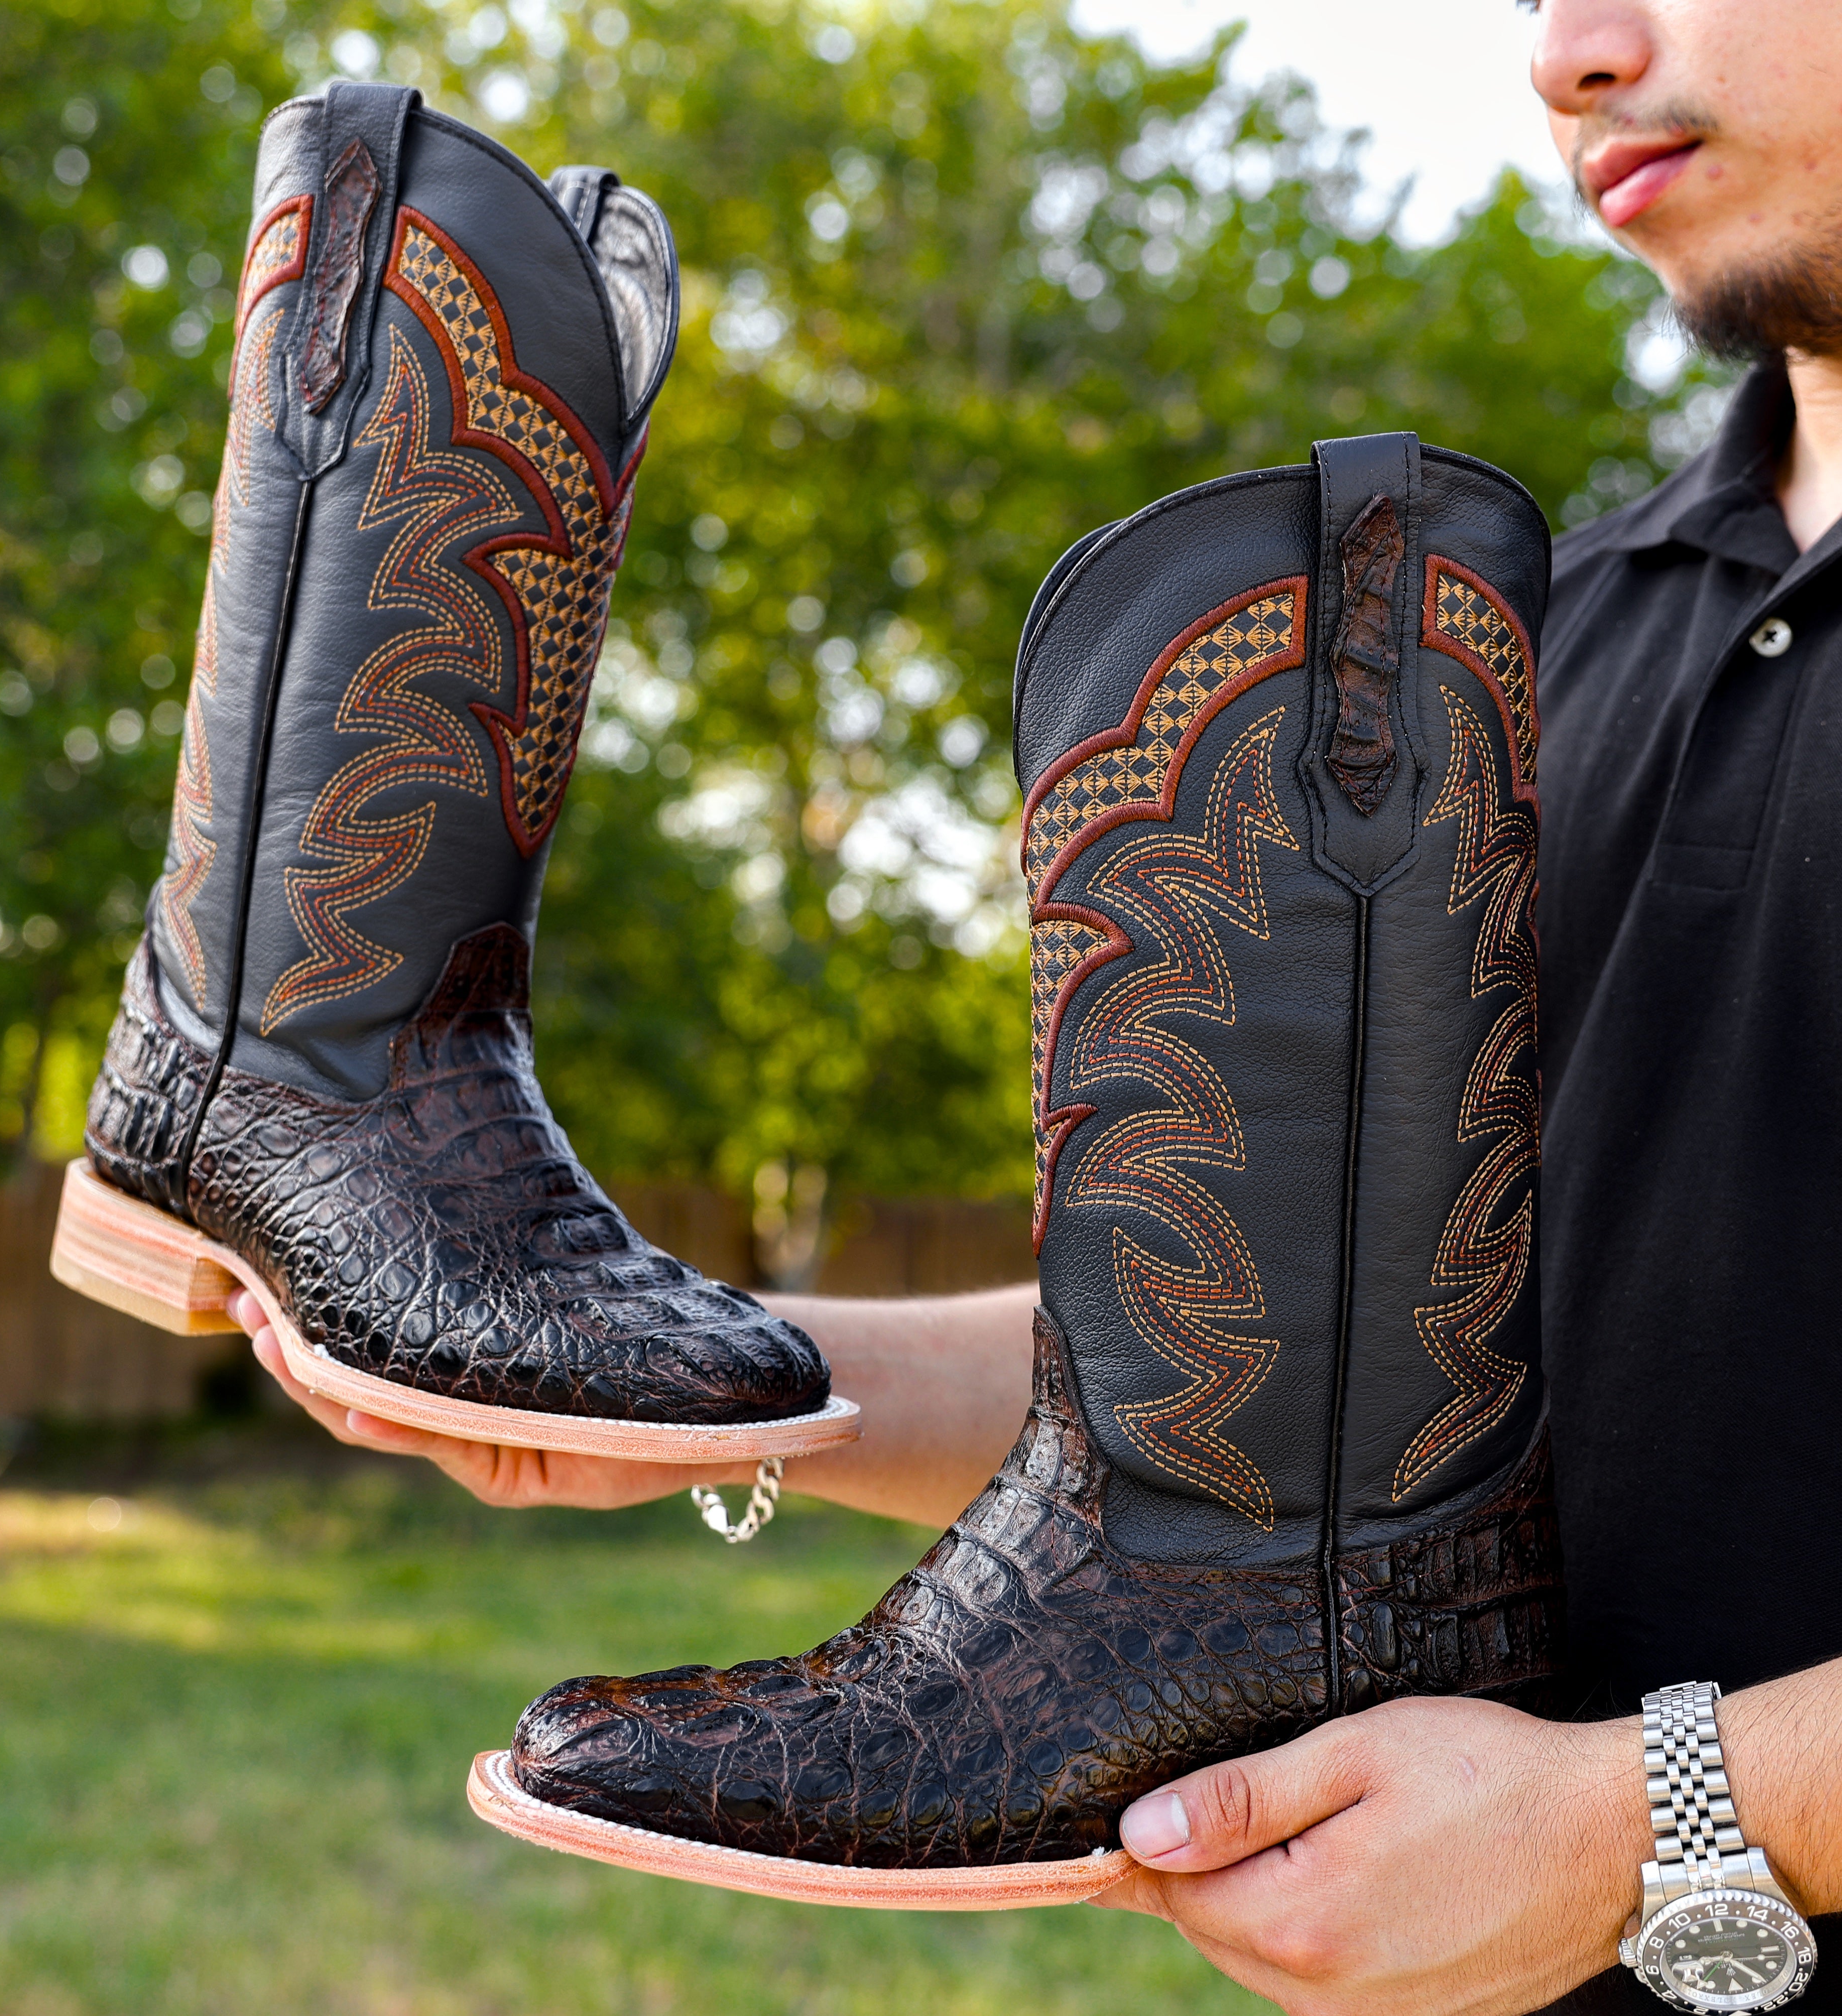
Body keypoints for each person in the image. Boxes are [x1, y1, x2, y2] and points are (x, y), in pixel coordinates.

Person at [237, 0, 1842, 2005]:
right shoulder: (1533, 651)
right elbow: (1270, 1352)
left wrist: (1646, 1814)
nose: (1570, 52)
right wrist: (713, 1386)